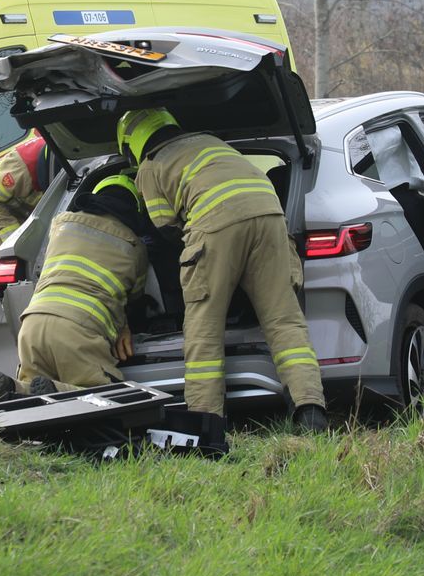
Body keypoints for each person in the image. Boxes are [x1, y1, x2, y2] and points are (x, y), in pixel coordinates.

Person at [119, 107, 327, 434]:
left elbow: (164, 227)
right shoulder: (212, 143)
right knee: (284, 320)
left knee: (204, 327)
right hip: (269, 215)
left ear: (131, 142)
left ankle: (206, 423)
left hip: (214, 226)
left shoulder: (152, 164)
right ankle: (310, 410)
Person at [0, 171, 151, 401]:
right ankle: (59, 391)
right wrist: (124, 327)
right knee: (108, 395)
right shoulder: (134, 246)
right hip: (78, 333)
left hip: (32, 326)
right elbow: (135, 298)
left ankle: (11, 388)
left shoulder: (61, 224)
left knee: (31, 389)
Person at [0, 130, 54, 266]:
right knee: (8, 275)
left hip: (24, 215)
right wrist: (16, 240)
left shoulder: (69, 154)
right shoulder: (21, 168)